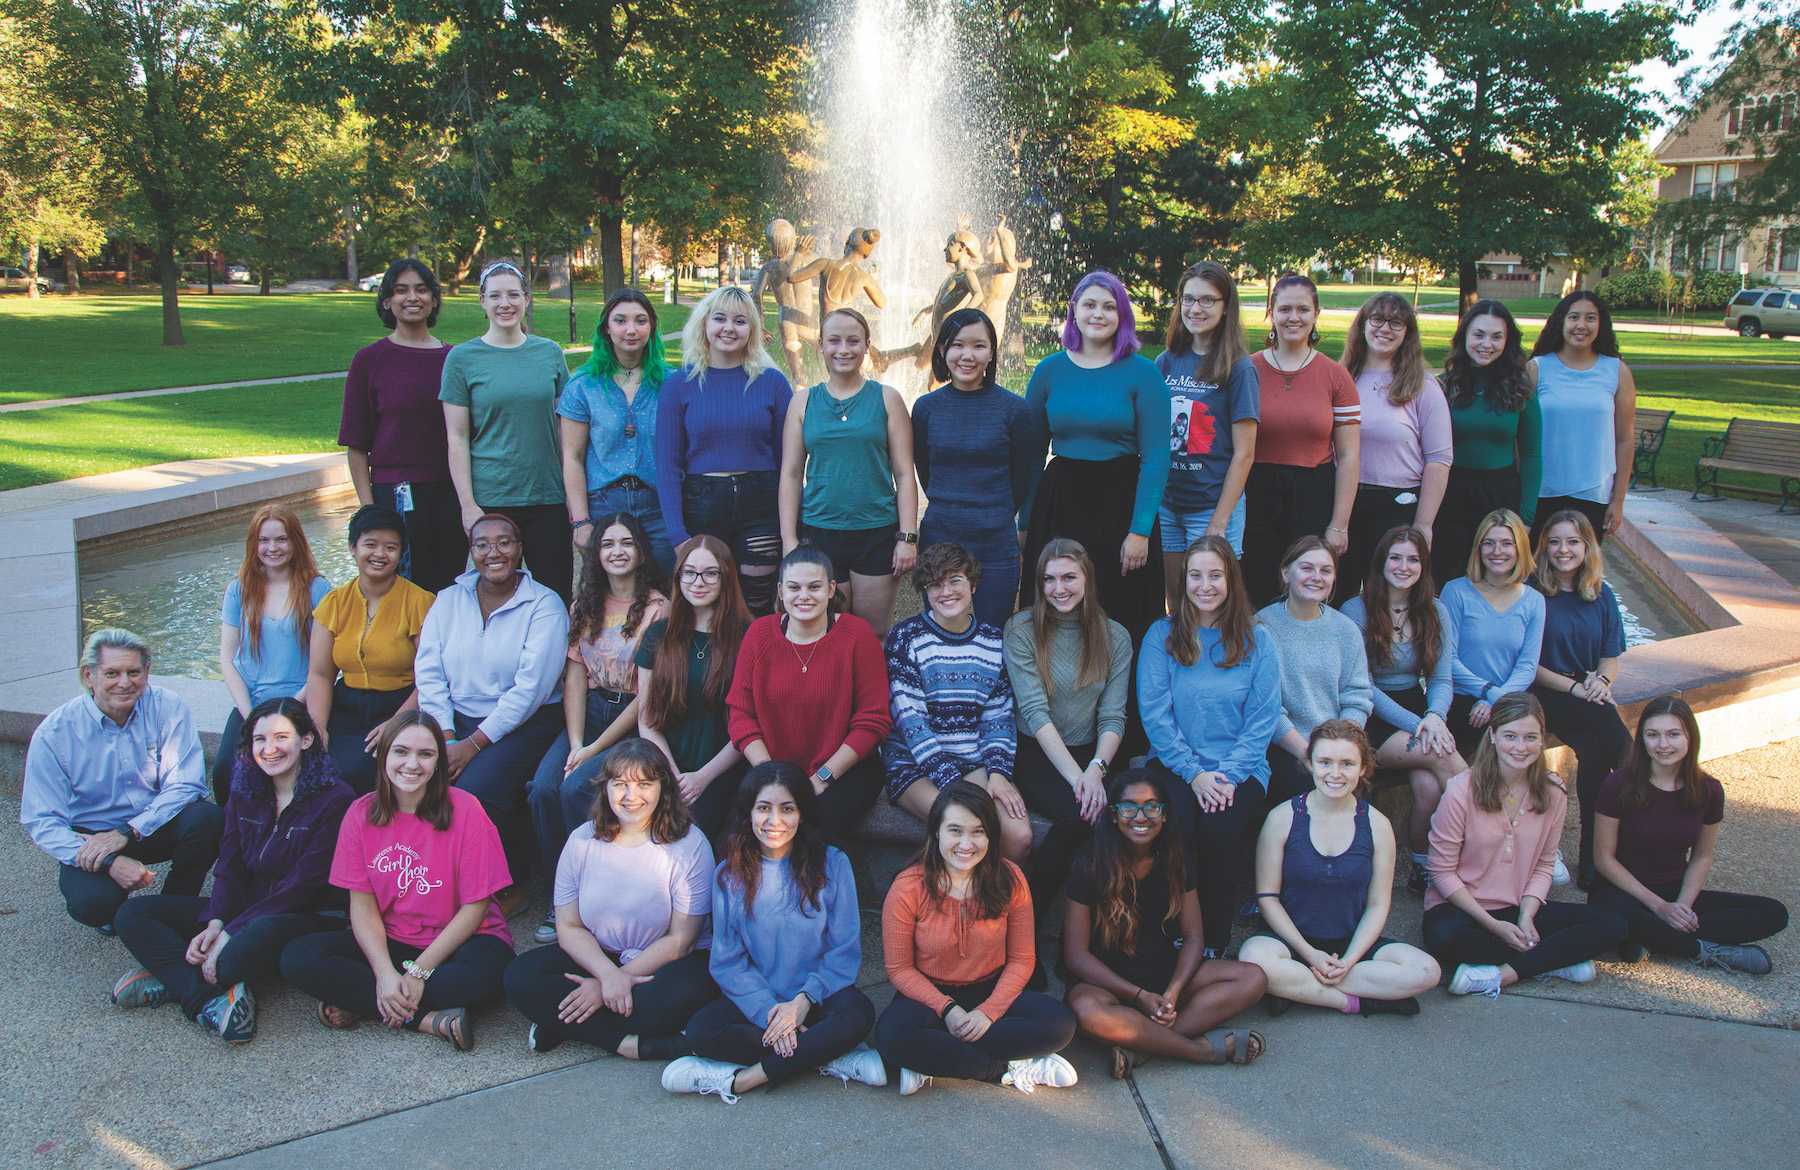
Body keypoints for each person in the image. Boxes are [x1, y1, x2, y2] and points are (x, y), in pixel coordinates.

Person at [111, 699, 353, 1042]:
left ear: (306, 740)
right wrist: (216, 920)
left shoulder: (335, 799)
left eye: (282, 737)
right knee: (133, 914)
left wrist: (230, 933)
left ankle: (175, 978)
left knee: (233, 955)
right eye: (260, 740)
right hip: (245, 906)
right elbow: (229, 864)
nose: (270, 749)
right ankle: (206, 999)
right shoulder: (246, 790)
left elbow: (304, 885)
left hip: (300, 914)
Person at [281, 711, 516, 1050]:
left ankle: (363, 1001)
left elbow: (475, 909)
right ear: (384, 754)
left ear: (438, 761)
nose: (412, 764)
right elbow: (361, 907)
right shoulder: (360, 813)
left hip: (463, 940)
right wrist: (384, 974)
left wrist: (419, 973)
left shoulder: (467, 810)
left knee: (491, 978)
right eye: (401, 751)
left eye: (426, 754)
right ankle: (427, 1020)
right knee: (298, 957)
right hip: (394, 940)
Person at [662, 762, 884, 1102]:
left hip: (817, 997)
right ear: (748, 813)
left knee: (859, 1014)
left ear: (803, 814)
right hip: (759, 1003)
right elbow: (728, 962)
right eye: (763, 808)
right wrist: (771, 1014)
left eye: (787, 809)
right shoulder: (728, 875)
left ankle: (741, 1080)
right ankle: (825, 1054)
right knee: (702, 1030)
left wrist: (801, 1004)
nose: (774, 821)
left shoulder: (834, 864)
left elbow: (843, 951)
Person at [503, 739, 716, 1059]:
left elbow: (680, 942)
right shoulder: (581, 840)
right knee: (520, 977)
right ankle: (623, 1043)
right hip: (598, 957)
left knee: (671, 1000)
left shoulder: (690, 845)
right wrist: (607, 977)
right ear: (606, 788)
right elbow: (569, 926)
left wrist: (609, 987)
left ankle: (562, 1021)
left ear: (663, 788)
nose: (631, 796)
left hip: (661, 962)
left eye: (644, 784)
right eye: (621, 785)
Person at [873, 782, 1079, 1096]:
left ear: (991, 836)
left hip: (990, 990)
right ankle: (1005, 1070)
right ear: (936, 833)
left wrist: (988, 1013)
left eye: (978, 832)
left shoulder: (1009, 879)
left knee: (1059, 1024)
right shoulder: (908, 887)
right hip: (929, 996)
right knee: (890, 1036)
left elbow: (1022, 959)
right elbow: (900, 969)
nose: (966, 844)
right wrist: (947, 1009)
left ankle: (931, 1061)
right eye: (955, 830)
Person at [1064, 769, 1268, 1077]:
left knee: (1252, 979)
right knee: (1088, 1012)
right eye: (1129, 807)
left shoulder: (1175, 857)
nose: (1141, 816)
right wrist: (1137, 996)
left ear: (1164, 814)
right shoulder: (1091, 863)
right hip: (1105, 982)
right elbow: (1076, 956)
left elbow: (1194, 937)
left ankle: (1143, 1046)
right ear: (1114, 814)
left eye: (1151, 806)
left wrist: (1173, 991)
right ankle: (1199, 1050)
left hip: (1162, 972)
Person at [1423, 693, 1627, 999]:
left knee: (1613, 924)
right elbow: (1441, 871)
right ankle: (1553, 961)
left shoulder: (1552, 793)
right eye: (1510, 736)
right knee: (1443, 938)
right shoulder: (1461, 790)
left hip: (1518, 907)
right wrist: (1493, 925)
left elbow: (1545, 864)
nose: (1520, 747)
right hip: (1462, 910)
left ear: (1542, 740)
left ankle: (1503, 974)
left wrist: (1527, 916)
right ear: (1492, 736)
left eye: (1530, 737)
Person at [1138, 537, 1282, 956]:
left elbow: (1262, 720)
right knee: (1177, 826)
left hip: (1240, 766)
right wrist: (1195, 774)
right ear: (1182, 582)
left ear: (1231, 580)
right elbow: (1156, 716)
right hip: (1175, 764)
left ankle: (1214, 940)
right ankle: (1174, 930)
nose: (1205, 585)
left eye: (1215, 575)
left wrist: (1227, 776)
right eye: (1195, 575)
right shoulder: (1161, 636)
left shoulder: (1259, 641)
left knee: (1221, 829)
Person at [23, 628, 221, 932]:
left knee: (208, 819)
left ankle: (172, 906)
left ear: (147, 671)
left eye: (134, 672)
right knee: (91, 904)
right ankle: (113, 910)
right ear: (89, 675)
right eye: (112, 673)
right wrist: (109, 862)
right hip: (92, 837)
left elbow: (186, 783)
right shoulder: (55, 734)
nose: (125, 683)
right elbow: (42, 821)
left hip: (151, 824)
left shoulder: (168, 707)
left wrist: (128, 831)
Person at [526, 513, 667, 941]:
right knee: (543, 788)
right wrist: (574, 741)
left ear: (640, 551)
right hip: (587, 713)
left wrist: (593, 748)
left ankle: (588, 895)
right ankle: (560, 894)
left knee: (576, 788)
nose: (617, 551)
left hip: (630, 720)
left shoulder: (659, 608)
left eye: (626, 543)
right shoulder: (584, 604)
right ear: (596, 554)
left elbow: (648, 693)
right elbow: (574, 674)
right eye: (608, 544)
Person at [1241, 722, 1441, 1018]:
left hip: (1351, 944)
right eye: (1325, 762)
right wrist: (1310, 955)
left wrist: (1349, 960)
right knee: (1254, 957)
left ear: (1362, 768)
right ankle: (1353, 1001)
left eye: (1347, 763)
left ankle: (1298, 990)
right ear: (1310, 763)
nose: (1335, 773)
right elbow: (1267, 896)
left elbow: (1378, 904)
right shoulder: (1282, 818)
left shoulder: (1377, 824)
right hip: (1289, 943)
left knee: (1426, 971)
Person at [414, 513, 569, 889]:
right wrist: (447, 736)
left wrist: (472, 745)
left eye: (505, 542)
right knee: (409, 775)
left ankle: (507, 885)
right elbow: (429, 670)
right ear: (471, 552)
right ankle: (431, 881)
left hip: (527, 722)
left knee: (474, 790)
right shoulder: (448, 600)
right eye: (482, 544)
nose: (493, 552)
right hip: (454, 721)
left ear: (519, 549)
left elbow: (530, 690)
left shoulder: (544, 605)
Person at [1021, 270, 1170, 641]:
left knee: (1121, 609)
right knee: (1057, 605)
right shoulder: (1048, 371)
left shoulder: (1144, 374)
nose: (1098, 314)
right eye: (1089, 305)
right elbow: (1030, 455)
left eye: (1109, 306)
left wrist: (1140, 530)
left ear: (1122, 315)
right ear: (1074, 311)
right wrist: (1025, 523)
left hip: (1121, 501)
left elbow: (1156, 459)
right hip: (1060, 501)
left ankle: (1122, 698)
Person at [1590, 696, 1787, 973]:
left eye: (1673, 734)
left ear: (1689, 737)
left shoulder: (1709, 790)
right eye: (1653, 735)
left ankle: (1652, 940)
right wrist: (1659, 908)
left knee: (1774, 913)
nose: (1663, 745)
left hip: (1675, 889)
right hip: (1622, 892)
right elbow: (1603, 859)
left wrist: (1682, 905)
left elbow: (1702, 857)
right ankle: (1704, 950)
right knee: (1611, 920)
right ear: (1642, 740)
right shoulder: (1618, 784)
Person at [727, 546, 892, 844]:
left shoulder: (858, 635)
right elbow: (740, 714)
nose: (804, 596)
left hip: (842, 770)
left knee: (812, 836)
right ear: (780, 591)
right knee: (740, 837)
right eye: (794, 587)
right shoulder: (759, 634)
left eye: (814, 587)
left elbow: (873, 721)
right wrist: (770, 776)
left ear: (831, 589)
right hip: (771, 764)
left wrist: (821, 779)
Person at [1003, 539, 1133, 908]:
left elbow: (1113, 715)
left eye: (1069, 577)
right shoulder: (1021, 629)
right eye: (1049, 579)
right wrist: (1079, 780)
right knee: (1083, 816)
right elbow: (1034, 711)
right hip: (1036, 750)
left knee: (1122, 819)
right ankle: (1028, 922)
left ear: (1087, 578)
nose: (1059, 589)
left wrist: (1095, 769)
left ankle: (1091, 939)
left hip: (1094, 753)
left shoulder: (1115, 636)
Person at [778, 306, 919, 635]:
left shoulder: (887, 399)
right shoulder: (803, 402)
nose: (844, 349)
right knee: (826, 631)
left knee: (872, 634)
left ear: (866, 346)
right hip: (820, 531)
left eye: (853, 341)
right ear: (821, 346)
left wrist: (908, 537)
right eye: (834, 341)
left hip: (877, 531)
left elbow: (903, 473)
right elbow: (791, 473)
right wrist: (788, 540)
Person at [655, 284, 794, 616]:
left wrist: (790, 527)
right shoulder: (679, 385)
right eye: (720, 319)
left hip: (760, 504)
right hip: (702, 505)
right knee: (706, 604)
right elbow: (667, 465)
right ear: (704, 324)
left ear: (753, 330)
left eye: (740, 321)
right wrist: (677, 534)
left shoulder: (773, 383)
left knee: (758, 603)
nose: (729, 328)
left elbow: (789, 462)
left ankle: (756, 666)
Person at [1340, 526, 1466, 892]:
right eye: (1396, 557)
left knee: (1428, 788)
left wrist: (1435, 716)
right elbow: (1363, 685)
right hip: (1369, 713)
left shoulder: (1436, 610)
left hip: (1418, 709)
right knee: (1441, 756)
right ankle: (1494, 835)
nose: (1404, 566)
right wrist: (1421, 725)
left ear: (1423, 566)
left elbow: (1441, 679)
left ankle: (1424, 864)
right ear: (1381, 562)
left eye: (1413, 559)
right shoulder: (1355, 611)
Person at [440, 259, 573, 602]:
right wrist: (468, 504)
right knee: (494, 595)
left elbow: (565, 429)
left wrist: (574, 496)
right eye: (495, 296)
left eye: (514, 295)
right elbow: (456, 438)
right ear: (482, 301)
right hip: (492, 499)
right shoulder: (462, 359)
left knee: (554, 596)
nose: (505, 304)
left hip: (547, 496)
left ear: (526, 299)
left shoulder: (549, 353)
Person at [882, 543, 1024, 859]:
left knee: (1019, 834)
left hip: (972, 761)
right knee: (962, 825)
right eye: (935, 584)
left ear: (972, 584)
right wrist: (955, 785)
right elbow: (910, 722)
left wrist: (998, 772)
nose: (945, 591)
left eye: (955, 580)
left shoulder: (991, 641)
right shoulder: (906, 638)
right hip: (914, 764)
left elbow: (998, 718)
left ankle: (1000, 905)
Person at [338, 258, 463, 591]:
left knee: (449, 588)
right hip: (395, 494)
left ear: (434, 299)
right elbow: (356, 446)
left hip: (450, 492)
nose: (412, 298)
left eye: (421, 290)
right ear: (387, 301)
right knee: (401, 589)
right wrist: (369, 512)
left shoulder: (455, 359)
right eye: (401, 290)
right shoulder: (369, 360)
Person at [910, 307, 1039, 626]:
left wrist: (995, 512)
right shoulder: (926, 408)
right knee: (940, 630)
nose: (967, 355)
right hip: (941, 537)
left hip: (995, 540)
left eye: (979, 346)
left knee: (993, 633)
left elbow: (1023, 477)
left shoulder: (1014, 410)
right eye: (957, 345)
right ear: (942, 350)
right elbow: (924, 469)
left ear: (992, 353)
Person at [1242, 273, 1360, 607]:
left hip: (1313, 494)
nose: (1294, 317)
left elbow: (1349, 456)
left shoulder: (1336, 376)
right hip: (1256, 494)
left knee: (1307, 590)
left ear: (1316, 314)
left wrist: (1340, 523)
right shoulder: (1247, 370)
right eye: (1285, 309)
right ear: (1271, 313)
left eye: (1303, 309)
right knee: (1258, 592)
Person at [1530, 509, 1631, 888]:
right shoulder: (1533, 592)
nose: (1563, 549)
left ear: (1587, 546)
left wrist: (1602, 680)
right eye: (1554, 541)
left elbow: (1611, 655)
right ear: (1544, 547)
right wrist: (1577, 688)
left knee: (1596, 751)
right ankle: (1610, 854)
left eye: (1572, 541)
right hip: (1544, 692)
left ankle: (1594, 859)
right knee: (1621, 748)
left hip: (1587, 693)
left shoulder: (1600, 593)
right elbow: (1529, 665)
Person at [305, 505, 435, 793]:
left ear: (401, 553)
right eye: (370, 544)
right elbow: (320, 675)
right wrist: (318, 728)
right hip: (347, 705)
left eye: (390, 547)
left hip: (401, 704)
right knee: (315, 767)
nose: (379, 554)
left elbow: (431, 677)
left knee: (360, 772)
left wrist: (399, 721)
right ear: (353, 548)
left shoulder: (420, 602)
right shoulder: (334, 603)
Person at [1155, 261, 1258, 610]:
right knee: (1176, 601)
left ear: (1225, 306)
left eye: (1207, 300)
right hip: (1169, 505)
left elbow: (1244, 453)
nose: (1195, 309)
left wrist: (1220, 520)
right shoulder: (1167, 362)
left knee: (1212, 604)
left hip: (1211, 506)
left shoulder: (1239, 368)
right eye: (1188, 299)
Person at [215, 504, 331, 803]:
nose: (272, 548)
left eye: (281, 539)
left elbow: (326, 662)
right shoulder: (239, 590)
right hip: (251, 704)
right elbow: (228, 659)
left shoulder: (317, 589)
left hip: (298, 701)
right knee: (225, 770)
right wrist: (250, 714)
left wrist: (294, 704)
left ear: (295, 542)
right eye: (264, 540)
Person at [1339, 294, 1451, 599]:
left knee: (1391, 597)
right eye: (1377, 319)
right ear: (1362, 325)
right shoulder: (1342, 377)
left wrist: (1424, 525)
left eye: (1396, 322)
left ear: (1407, 333)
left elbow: (1439, 460)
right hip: (1345, 502)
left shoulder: (1423, 386)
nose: (1385, 328)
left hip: (1398, 506)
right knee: (1342, 593)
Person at [638, 536, 751, 838]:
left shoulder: (749, 637)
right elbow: (646, 720)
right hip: (666, 762)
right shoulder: (658, 634)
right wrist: (672, 774)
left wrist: (702, 777)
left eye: (710, 573)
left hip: (722, 767)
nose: (698, 581)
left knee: (694, 829)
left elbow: (751, 725)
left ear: (727, 577)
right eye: (689, 572)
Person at [560, 287, 675, 574]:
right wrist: (581, 521)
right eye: (621, 321)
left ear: (652, 328)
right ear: (606, 329)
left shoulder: (672, 383)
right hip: (604, 505)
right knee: (604, 592)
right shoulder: (583, 385)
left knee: (664, 590)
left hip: (659, 506)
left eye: (641, 320)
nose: (631, 330)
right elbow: (572, 457)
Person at [1255, 537, 1373, 803]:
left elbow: (1357, 695)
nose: (1316, 577)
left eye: (1326, 570)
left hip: (1338, 744)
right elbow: (1266, 706)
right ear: (1286, 573)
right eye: (1307, 568)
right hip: (1284, 745)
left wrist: (1341, 747)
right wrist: (1308, 753)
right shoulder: (1262, 628)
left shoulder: (1346, 629)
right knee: (1302, 791)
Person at [1435, 300, 1542, 586]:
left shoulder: (1522, 390)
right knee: (1447, 577)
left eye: (1497, 337)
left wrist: (1526, 517)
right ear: (1464, 337)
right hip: (1450, 493)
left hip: (1500, 494)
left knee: (1493, 579)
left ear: (1508, 342)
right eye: (1479, 335)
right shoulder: (1444, 387)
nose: (1487, 344)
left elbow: (1532, 455)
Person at [1528, 291, 1638, 542]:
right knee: (1534, 571)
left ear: (1601, 325)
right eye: (1574, 317)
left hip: (1593, 494)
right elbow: (1521, 437)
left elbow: (1625, 440)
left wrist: (1618, 500)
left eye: (1590, 318)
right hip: (1541, 492)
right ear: (1561, 322)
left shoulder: (1617, 371)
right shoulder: (1537, 368)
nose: (1581, 325)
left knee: (1581, 574)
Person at [1440, 509, 1544, 759]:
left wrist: (1495, 700)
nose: (1497, 551)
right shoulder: (1455, 592)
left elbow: (1528, 666)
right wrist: (1488, 692)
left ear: (1520, 548)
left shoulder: (1534, 600)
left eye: (1506, 543)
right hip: (1463, 698)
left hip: (1511, 701)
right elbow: (1447, 658)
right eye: (1489, 543)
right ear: (1478, 548)